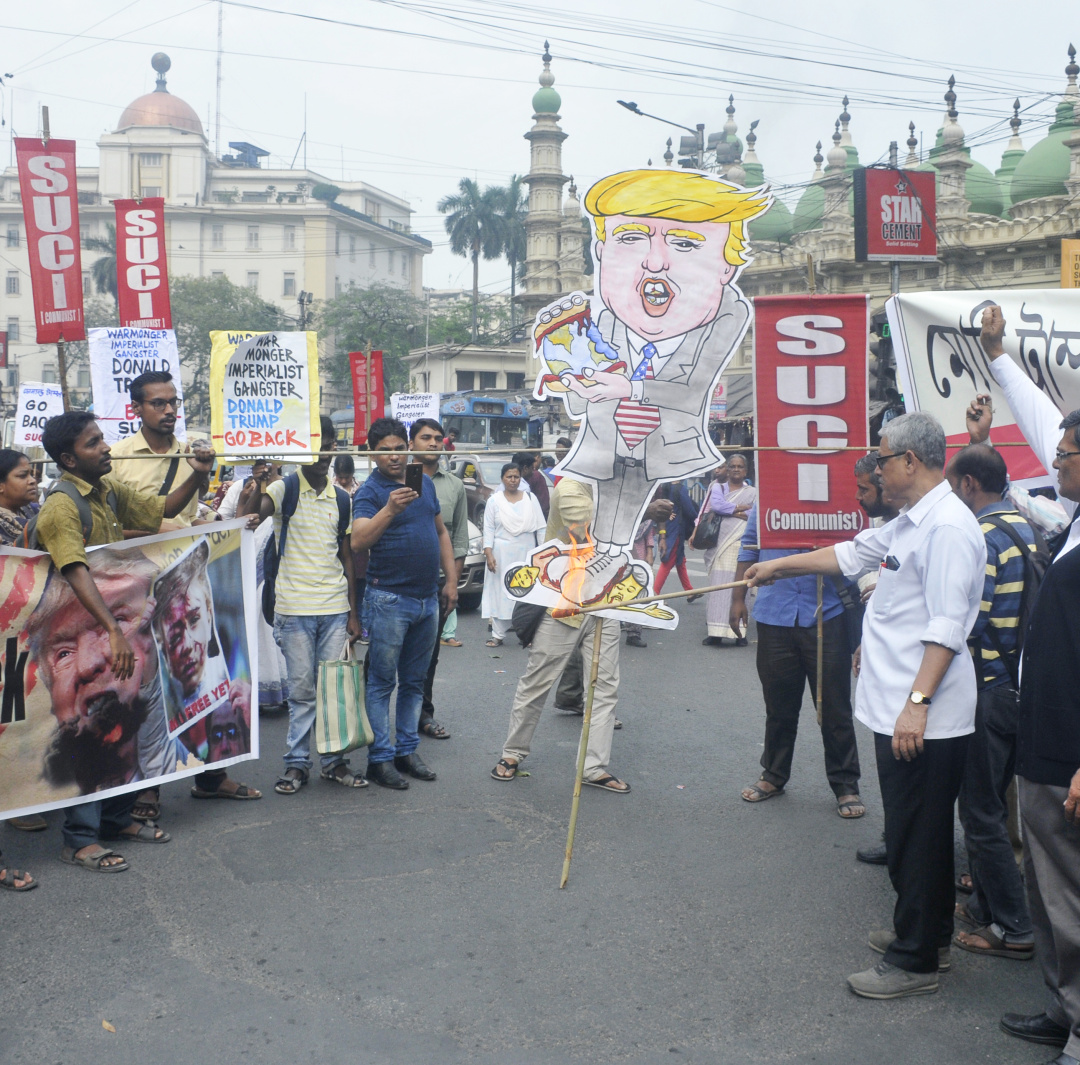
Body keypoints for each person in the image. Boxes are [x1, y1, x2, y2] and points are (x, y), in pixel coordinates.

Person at [745, 411, 986, 1000]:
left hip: (924, 717)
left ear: (910, 461)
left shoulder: (949, 528)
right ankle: (926, 935)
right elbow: (850, 553)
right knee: (909, 831)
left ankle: (915, 962)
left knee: (921, 834)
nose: (875, 468)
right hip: (898, 710)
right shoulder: (911, 523)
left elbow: (947, 626)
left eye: (881, 458)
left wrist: (918, 704)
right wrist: (780, 566)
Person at [539, 169, 768, 604]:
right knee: (610, 488)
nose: (656, 261)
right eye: (632, 238)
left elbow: (691, 391)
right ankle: (602, 558)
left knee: (634, 481)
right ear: (603, 251)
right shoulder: (602, 312)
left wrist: (626, 387)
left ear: (725, 265)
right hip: (607, 438)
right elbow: (584, 396)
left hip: (667, 441)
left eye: (684, 243)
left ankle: (609, 561)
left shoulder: (729, 313)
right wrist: (571, 376)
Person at [35, 410, 215, 871]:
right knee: (91, 736)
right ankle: (80, 840)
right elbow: (76, 570)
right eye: (94, 443)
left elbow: (165, 511)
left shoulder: (108, 491)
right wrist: (111, 632)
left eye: (103, 439)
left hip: (122, 637)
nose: (106, 448)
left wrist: (198, 474)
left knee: (127, 727)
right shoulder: (60, 507)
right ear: (68, 459)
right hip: (92, 641)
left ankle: (116, 820)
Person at [979, 306, 1080, 1062]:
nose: (1059, 459)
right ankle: (1061, 1005)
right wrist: (998, 357)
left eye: (1070, 454)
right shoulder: (1068, 519)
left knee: (1072, 895)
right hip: (1043, 743)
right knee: (1051, 892)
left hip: (1070, 758)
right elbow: (1042, 432)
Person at [108, 370, 261, 815]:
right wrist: (170, 529)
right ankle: (148, 790)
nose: (169, 409)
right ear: (136, 408)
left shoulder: (194, 452)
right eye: (158, 403)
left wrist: (222, 526)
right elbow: (114, 529)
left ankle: (212, 776)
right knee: (148, 689)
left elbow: (192, 519)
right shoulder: (117, 459)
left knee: (205, 679)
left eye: (173, 401)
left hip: (188, 583)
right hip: (137, 589)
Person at [944, 443, 1036, 961]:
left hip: (988, 690)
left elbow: (969, 623)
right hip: (1021, 687)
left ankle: (1015, 926)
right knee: (993, 802)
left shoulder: (981, 537)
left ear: (968, 485)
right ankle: (982, 905)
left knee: (980, 811)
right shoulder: (1026, 527)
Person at [244, 416, 363, 795]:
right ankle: (297, 764)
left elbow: (346, 559)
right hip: (293, 610)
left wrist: (353, 613)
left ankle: (333, 762)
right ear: (299, 447)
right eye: (316, 442)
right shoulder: (284, 488)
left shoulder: (342, 498)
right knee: (302, 691)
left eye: (329, 443)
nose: (324, 452)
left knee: (332, 690)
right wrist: (260, 479)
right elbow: (251, 516)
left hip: (333, 610)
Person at [491, 474, 629, 793]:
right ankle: (512, 754)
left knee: (604, 686)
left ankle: (594, 767)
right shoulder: (570, 489)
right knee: (538, 679)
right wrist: (643, 513)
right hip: (565, 603)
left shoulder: (614, 487)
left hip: (606, 601)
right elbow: (587, 535)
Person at [730, 506, 863, 820]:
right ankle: (774, 775)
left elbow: (859, 551)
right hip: (775, 613)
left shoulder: (838, 499)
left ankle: (846, 783)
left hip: (828, 614)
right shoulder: (770, 496)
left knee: (834, 705)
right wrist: (737, 598)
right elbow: (749, 546)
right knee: (779, 704)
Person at [352, 417, 459, 789]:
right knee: (382, 682)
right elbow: (358, 541)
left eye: (400, 449)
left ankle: (406, 750)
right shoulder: (369, 491)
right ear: (372, 454)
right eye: (386, 452)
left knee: (414, 682)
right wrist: (389, 510)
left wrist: (451, 580)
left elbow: (440, 530)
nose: (395, 458)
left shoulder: (423, 482)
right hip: (388, 599)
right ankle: (379, 758)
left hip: (427, 598)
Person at [851, 452, 901, 868]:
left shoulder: (926, 523)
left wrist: (918, 703)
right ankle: (898, 836)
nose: (861, 496)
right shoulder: (887, 524)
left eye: (868, 488)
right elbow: (854, 558)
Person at [0, 449, 50, 835]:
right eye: (22, 475)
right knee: (10, 716)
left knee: (31, 711)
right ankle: (11, 800)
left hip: (33, 630)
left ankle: (28, 790)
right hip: (7, 637)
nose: (33, 480)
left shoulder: (34, 514)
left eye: (33, 474)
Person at [411, 417, 468, 740]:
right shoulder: (402, 478)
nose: (433, 443)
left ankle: (423, 714)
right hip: (398, 585)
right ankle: (368, 717)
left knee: (428, 656)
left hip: (436, 585)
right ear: (411, 443)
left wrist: (452, 584)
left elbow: (458, 538)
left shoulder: (454, 485)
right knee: (382, 659)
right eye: (425, 437)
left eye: (437, 438)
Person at [482, 462, 546, 647]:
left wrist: (541, 555)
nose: (512, 480)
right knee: (500, 592)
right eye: (509, 477)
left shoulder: (530, 498)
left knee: (526, 593)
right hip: (501, 553)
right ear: (502, 479)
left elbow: (541, 528)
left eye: (516, 477)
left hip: (525, 552)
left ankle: (526, 635)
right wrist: (489, 554)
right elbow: (488, 529)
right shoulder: (494, 500)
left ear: (521, 479)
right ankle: (498, 635)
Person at [701, 455, 755, 646]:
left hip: (740, 544)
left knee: (740, 586)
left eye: (740, 467)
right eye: (732, 466)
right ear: (728, 470)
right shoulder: (718, 488)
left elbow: (754, 512)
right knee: (717, 588)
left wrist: (732, 510)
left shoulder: (753, 492)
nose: (736, 470)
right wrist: (740, 510)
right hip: (719, 545)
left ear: (746, 471)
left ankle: (740, 633)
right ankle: (715, 633)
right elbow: (717, 506)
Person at [653, 479, 699, 600]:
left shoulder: (665, 487)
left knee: (680, 560)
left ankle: (689, 591)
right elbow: (690, 510)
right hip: (676, 529)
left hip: (667, 527)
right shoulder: (680, 488)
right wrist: (699, 518)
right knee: (668, 561)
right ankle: (654, 593)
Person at [623, 515, 656, 648]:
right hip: (620, 555)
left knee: (637, 595)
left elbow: (648, 533)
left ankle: (633, 634)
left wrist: (649, 553)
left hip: (639, 556)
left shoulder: (645, 511)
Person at [513, 451, 550, 519]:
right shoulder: (525, 488)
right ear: (525, 468)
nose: (533, 471)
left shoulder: (502, 487)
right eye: (532, 468)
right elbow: (544, 504)